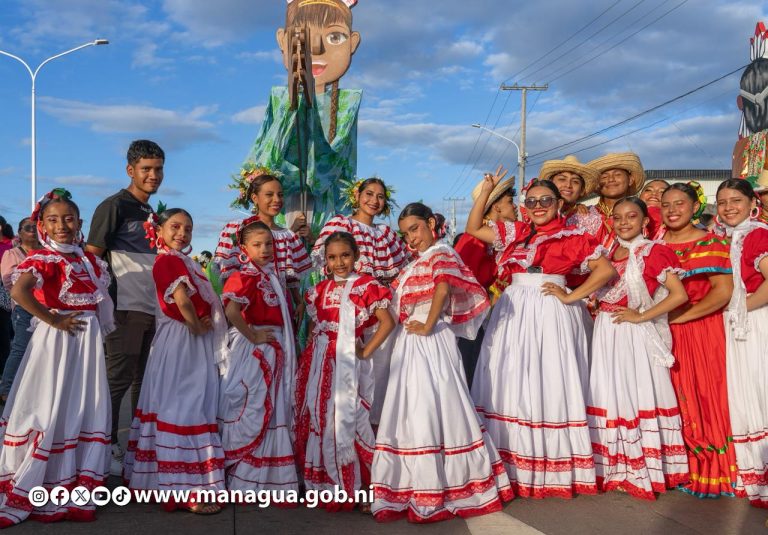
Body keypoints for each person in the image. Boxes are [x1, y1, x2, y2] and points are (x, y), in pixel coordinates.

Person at [467, 175, 616, 498]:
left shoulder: (574, 236)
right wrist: (487, 192)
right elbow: (474, 228)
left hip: (552, 310)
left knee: (550, 378)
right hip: (514, 311)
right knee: (511, 378)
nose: (538, 206)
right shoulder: (515, 232)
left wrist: (572, 296)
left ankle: (551, 462)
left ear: (559, 204)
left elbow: (606, 270)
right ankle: (513, 461)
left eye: (545, 200)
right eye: (531, 201)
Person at [371, 203, 512, 522]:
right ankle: (416, 481)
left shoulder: (441, 253)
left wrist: (428, 323)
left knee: (431, 404)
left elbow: (443, 288)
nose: (411, 238)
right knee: (415, 406)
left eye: (415, 229)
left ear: (432, 224)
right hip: (414, 340)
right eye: (405, 233)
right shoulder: (417, 261)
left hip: (431, 339)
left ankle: (439, 483)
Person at [0, 189, 114, 526]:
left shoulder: (89, 261)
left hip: (86, 342)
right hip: (58, 341)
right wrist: (53, 320)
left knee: (81, 403)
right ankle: (44, 477)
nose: (62, 225)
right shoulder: (44, 258)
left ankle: (74, 474)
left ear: (79, 222)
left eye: (68, 219)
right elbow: (19, 291)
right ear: (43, 226)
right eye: (53, 220)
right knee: (50, 403)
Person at [575, 197, 689, 499]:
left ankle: (641, 467)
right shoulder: (609, 253)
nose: (624, 222)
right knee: (610, 393)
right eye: (618, 217)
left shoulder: (654, 251)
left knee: (635, 393)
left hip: (634, 334)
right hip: (607, 331)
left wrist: (641, 316)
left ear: (645, 221)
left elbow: (679, 295)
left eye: (631, 216)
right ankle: (615, 466)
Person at [123, 209, 226, 515]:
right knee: (184, 404)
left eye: (188, 228)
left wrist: (198, 324)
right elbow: (181, 299)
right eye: (175, 227)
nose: (182, 233)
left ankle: (177, 480)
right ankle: (184, 487)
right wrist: (195, 326)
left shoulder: (182, 261)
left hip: (186, 339)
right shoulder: (168, 261)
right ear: (159, 231)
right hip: (182, 341)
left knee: (186, 402)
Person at [296, 231, 395, 511]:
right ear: (325, 260)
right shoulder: (319, 290)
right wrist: (311, 356)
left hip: (348, 364)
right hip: (321, 362)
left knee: (353, 419)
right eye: (332, 257)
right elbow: (315, 326)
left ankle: (365, 487)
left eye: (345, 256)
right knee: (321, 418)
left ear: (356, 256)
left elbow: (388, 322)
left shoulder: (365, 285)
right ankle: (328, 486)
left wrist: (365, 351)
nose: (339, 262)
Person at [86, 139, 164, 475]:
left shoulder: (151, 212)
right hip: (124, 308)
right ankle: (103, 447)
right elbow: (91, 258)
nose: (153, 175)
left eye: (158, 169)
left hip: (151, 308)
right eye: (146, 169)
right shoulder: (113, 205)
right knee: (116, 380)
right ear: (130, 170)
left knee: (143, 380)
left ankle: (135, 445)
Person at [660, 183, 739, 498]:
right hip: (661, 331)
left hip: (701, 329)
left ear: (695, 207)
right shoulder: (654, 244)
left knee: (705, 393)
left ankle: (711, 467)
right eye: (666, 204)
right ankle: (675, 464)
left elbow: (723, 291)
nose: (672, 210)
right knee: (670, 395)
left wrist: (683, 317)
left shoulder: (711, 242)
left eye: (680, 203)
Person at [311, 177, 407, 425]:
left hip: (378, 307)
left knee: (378, 368)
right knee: (345, 371)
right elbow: (329, 267)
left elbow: (402, 268)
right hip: (347, 308)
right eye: (369, 194)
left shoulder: (386, 233)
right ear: (357, 195)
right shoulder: (340, 223)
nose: (374, 201)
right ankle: (343, 425)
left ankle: (375, 425)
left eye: (380, 196)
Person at [217, 218, 299, 494]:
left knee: (271, 405)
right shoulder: (245, 276)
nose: (264, 249)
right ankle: (246, 473)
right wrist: (253, 336)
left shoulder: (270, 276)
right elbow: (231, 311)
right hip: (256, 348)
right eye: (257, 245)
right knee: (254, 403)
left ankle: (268, 474)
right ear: (244, 248)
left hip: (273, 346)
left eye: (268, 244)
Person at [716, 178, 768, 507]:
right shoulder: (732, 236)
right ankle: (754, 473)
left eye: (736, 200)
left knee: (759, 390)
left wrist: (741, 308)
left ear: (752, 204)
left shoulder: (756, 234)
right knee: (747, 391)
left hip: (757, 320)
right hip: (742, 320)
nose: (728, 207)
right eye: (722, 202)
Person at [214, 169, 311, 314]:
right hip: (247, 305)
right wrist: (232, 311)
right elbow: (229, 275)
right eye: (269, 195)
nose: (277, 200)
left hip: (280, 308)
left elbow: (290, 278)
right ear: (255, 197)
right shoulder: (238, 229)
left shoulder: (288, 236)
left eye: (280, 195)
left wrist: (299, 302)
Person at [454, 169, 516, 386]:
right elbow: (462, 282)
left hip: (494, 314)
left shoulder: (502, 237)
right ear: (496, 207)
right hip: (474, 318)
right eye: (510, 202)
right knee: (472, 367)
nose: (515, 206)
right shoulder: (474, 240)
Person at [0, 218, 40, 402]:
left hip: (46, 307)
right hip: (24, 308)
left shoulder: (46, 253)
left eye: (36, 227)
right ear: (20, 232)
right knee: (20, 347)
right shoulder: (12, 253)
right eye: (28, 227)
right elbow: (9, 281)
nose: (33, 230)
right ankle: (6, 390)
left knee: (42, 349)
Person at [585, 152, 649, 249]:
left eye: (617, 174)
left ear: (630, 180)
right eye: (604, 177)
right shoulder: (584, 215)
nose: (611, 179)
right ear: (597, 184)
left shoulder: (644, 213)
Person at [537, 155, 599, 225]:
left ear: (582, 190)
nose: (568, 185)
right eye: (562, 179)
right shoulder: (535, 212)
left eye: (575, 181)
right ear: (551, 183)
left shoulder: (590, 219)